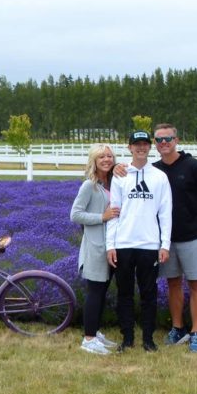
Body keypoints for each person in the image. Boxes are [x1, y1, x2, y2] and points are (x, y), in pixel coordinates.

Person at [151, 123, 197, 353]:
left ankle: (196, 333)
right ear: (154, 143)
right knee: (172, 284)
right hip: (166, 240)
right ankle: (178, 327)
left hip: (193, 236)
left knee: (196, 284)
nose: (164, 143)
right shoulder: (153, 171)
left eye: (168, 139)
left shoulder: (193, 166)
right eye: (159, 140)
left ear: (177, 140)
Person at [106, 130, 172, 352]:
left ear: (149, 147)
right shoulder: (120, 175)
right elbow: (113, 212)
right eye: (137, 144)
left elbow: (165, 213)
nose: (141, 148)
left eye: (145, 144)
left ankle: (148, 339)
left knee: (149, 293)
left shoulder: (159, 177)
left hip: (149, 245)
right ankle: (127, 338)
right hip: (123, 244)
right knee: (124, 293)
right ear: (130, 148)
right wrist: (110, 245)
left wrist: (164, 245)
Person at [69, 143, 122, 355]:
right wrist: (102, 217)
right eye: (102, 157)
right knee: (95, 292)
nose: (107, 160)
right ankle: (88, 339)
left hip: (112, 245)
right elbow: (75, 214)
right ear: (94, 161)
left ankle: (95, 332)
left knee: (102, 292)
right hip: (95, 247)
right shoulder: (88, 186)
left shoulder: (114, 181)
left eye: (109, 156)